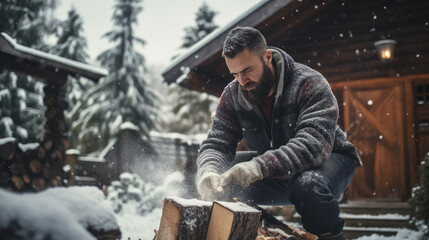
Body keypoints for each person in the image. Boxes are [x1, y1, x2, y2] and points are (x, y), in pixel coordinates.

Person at [195, 26, 361, 240]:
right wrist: (209, 171)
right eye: (235, 74)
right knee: (219, 179)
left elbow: (312, 146)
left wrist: (259, 166)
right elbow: (216, 143)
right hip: (275, 168)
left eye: (247, 70)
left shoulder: (309, 83)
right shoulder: (233, 94)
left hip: (328, 160)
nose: (242, 81)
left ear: (267, 57)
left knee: (308, 186)